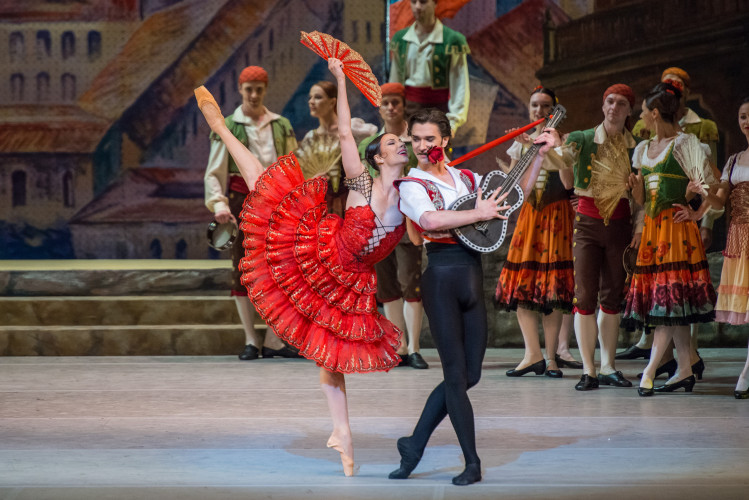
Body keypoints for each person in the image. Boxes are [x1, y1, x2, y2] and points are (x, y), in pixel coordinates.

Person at [195, 57, 412, 476]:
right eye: (390, 143)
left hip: (349, 279)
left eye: (399, 142)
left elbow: (441, 218)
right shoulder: (361, 181)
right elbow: (346, 130)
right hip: (319, 247)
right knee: (263, 183)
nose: (398, 144)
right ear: (378, 158)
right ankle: (222, 128)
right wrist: (341, 80)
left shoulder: (412, 195)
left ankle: (342, 434)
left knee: (330, 357)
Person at [391, 108, 511, 485]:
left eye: (430, 139)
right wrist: (477, 211)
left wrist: (537, 155)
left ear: (444, 140)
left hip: (472, 277)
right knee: (456, 377)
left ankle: (413, 444)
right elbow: (429, 221)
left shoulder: (466, 177)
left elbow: (509, 198)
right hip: (441, 279)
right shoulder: (411, 184)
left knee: (470, 374)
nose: (423, 146)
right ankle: (472, 462)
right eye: (416, 139)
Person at [619, 66, 720, 370]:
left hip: (676, 234)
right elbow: (642, 201)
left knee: (675, 301)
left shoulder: (687, 144)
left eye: (642, 112)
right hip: (654, 232)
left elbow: (715, 190)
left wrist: (698, 210)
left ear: (653, 114)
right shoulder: (644, 149)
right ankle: (685, 364)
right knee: (665, 304)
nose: (639, 117)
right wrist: (635, 190)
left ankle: (673, 366)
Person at [541, 84, 641, 391]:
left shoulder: (635, 147)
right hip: (586, 223)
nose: (614, 107)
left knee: (611, 297)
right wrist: (548, 147)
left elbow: (641, 198)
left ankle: (608, 365)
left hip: (621, 224)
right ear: (602, 105)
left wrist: (638, 228)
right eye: (609, 101)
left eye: (621, 104)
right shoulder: (583, 138)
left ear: (628, 111)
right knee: (583, 297)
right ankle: (589, 370)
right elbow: (561, 167)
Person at [202, 66, 299, 361]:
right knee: (243, 271)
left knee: (278, 270)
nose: (254, 95)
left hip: (276, 204)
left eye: (259, 89)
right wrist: (219, 205)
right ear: (240, 90)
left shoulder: (280, 125)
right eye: (249, 89)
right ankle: (250, 338)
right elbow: (214, 171)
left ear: (266, 89)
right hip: (241, 201)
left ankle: (274, 337)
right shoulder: (229, 124)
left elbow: (293, 166)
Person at [495, 86, 575, 379]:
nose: (538, 112)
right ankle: (532, 354)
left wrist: (551, 148)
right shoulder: (521, 144)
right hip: (530, 217)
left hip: (556, 219)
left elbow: (569, 184)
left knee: (553, 290)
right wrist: (525, 151)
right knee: (524, 286)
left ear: (554, 110)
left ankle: (552, 358)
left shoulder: (565, 142)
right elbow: (514, 190)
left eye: (544, 106)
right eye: (534, 106)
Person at [358, 82, 427, 369]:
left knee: (411, 281)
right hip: (379, 222)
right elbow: (361, 183)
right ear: (379, 106)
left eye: (395, 102)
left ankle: (415, 347)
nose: (391, 107)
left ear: (404, 105)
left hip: (407, 219)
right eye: (385, 102)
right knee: (386, 284)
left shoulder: (416, 142)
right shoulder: (369, 145)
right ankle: (396, 346)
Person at [700, 97, 749, 398]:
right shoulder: (734, 160)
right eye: (743, 116)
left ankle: (746, 370)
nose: (747, 121)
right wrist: (703, 190)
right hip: (740, 236)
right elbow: (719, 201)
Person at [297, 80, 376, 217]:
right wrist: (312, 180)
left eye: (318, 97)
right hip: (323, 202)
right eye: (310, 97)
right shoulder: (311, 137)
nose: (311, 101)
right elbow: (303, 171)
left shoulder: (352, 129)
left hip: (349, 197)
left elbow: (370, 143)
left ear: (332, 102)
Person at [389, 0, 470, 134]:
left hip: (439, 111)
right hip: (407, 113)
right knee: (407, 153)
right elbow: (395, 82)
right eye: (414, 2)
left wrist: (453, 121)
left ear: (435, 3)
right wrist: (395, 115)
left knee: (436, 153)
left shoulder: (452, 40)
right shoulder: (401, 39)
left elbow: (460, 83)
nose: (418, 7)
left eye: (423, 2)